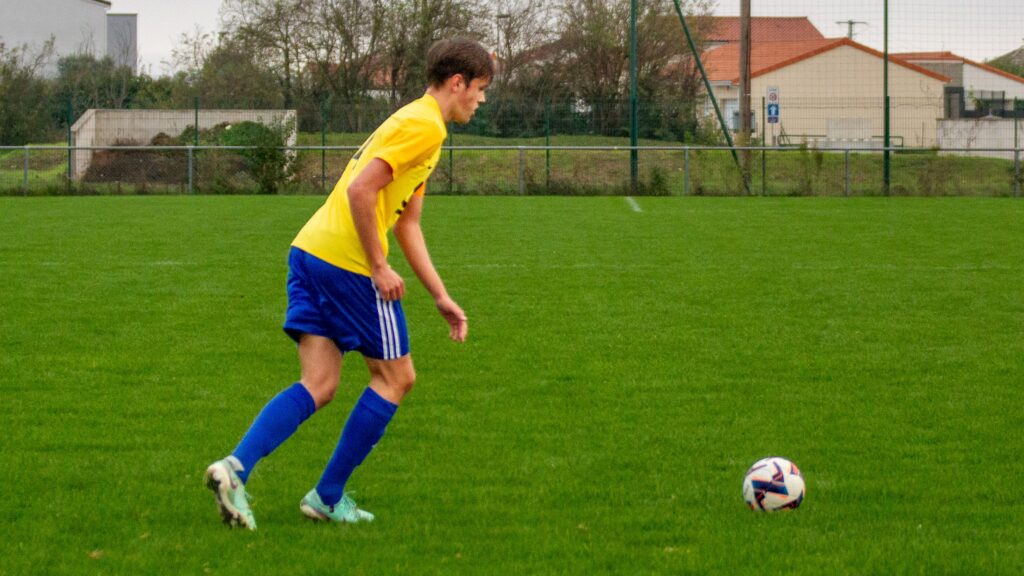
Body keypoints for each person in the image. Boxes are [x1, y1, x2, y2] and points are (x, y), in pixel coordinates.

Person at [204, 38, 493, 530]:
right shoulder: (425, 126)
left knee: (319, 383)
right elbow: (362, 190)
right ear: (457, 82)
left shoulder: (412, 120)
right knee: (397, 378)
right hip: (348, 264)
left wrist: (440, 295)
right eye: (480, 89)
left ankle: (234, 469)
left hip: (309, 252)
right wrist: (378, 266)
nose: (481, 100)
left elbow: (407, 223)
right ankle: (327, 497)